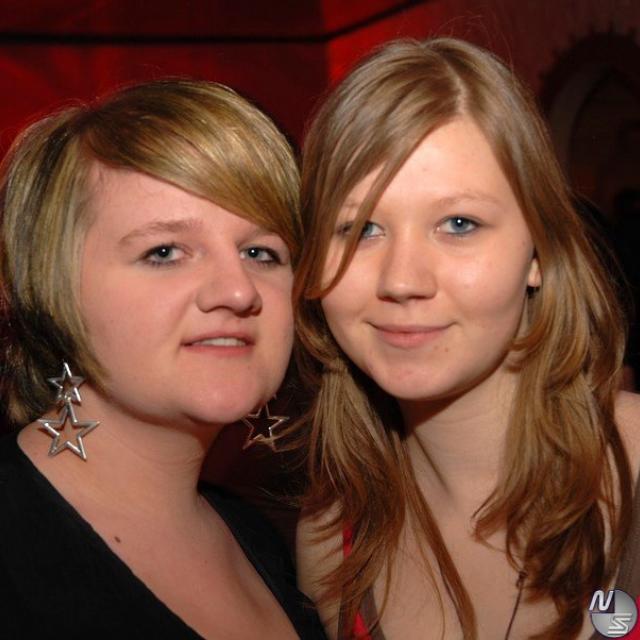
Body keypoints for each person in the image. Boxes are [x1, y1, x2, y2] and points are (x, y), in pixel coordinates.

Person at [293, 38, 640, 640]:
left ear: (540, 251)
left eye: (459, 224)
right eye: (360, 228)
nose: (402, 280)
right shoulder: (330, 540)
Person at [0, 79, 325, 639]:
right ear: (51, 287)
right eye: (165, 252)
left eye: (260, 252)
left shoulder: (266, 542)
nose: (238, 290)